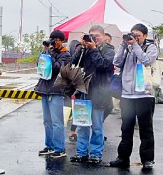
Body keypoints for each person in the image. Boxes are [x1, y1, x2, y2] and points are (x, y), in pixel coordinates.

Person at [109, 23, 158, 170]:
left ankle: (147, 160)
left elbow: (146, 60)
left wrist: (135, 45)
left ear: (145, 35)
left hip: (145, 95)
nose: (134, 38)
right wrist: (124, 46)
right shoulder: (128, 48)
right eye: (132, 35)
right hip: (127, 95)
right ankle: (123, 158)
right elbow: (116, 63)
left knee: (146, 128)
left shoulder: (150, 47)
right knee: (126, 128)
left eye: (137, 35)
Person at [69, 25, 114, 164]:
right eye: (91, 36)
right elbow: (74, 62)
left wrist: (93, 49)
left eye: (97, 36)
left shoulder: (109, 50)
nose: (94, 38)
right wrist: (82, 48)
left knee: (97, 126)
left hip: (98, 93)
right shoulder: (86, 49)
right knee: (82, 125)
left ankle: (95, 153)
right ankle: (81, 152)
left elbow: (103, 65)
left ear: (102, 36)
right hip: (83, 92)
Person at [34, 30, 71, 158]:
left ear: (62, 41)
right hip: (45, 89)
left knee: (57, 121)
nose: (54, 42)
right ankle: (49, 146)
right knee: (47, 121)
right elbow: (39, 65)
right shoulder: (48, 52)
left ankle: (60, 148)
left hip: (56, 90)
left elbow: (57, 68)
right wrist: (45, 52)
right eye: (52, 40)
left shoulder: (65, 54)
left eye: (57, 40)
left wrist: (49, 54)